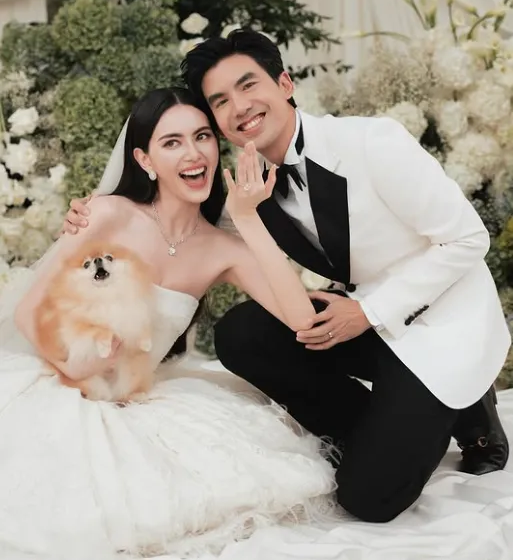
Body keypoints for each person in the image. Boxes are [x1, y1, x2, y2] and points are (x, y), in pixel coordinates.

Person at [63, 31, 511, 523]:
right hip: (365, 318)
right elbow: (184, 236)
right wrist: (100, 217)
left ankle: (472, 411)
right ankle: (382, 429)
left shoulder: (371, 142)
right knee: (242, 333)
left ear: (284, 83)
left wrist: (369, 312)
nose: (239, 107)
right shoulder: (247, 186)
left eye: (248, 85)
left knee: (369, 500)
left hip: (439, 321)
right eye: (220, 101)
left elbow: (468, 239)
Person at [0, 87, 338, 559]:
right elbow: (28, 311)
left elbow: (302, 318)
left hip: (139, 395)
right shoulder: (107, 214)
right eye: (172, 142)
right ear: (145, 160)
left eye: (202, 136)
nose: (193, 153)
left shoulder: (223, 249)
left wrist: (247, 218)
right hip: (61, 383)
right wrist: (79, 366)